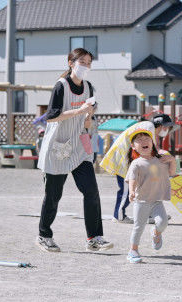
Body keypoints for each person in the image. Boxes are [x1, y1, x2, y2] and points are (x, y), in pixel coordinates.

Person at [36, 48, 113, 253]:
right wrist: (78, 111)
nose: (85, 66)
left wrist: (87, 115)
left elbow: (87, 121)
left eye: (89, 63)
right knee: (53, 194)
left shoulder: (89, 87)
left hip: (80, 145)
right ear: (71, 62)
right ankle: (44, 235)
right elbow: (51, 116)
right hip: (58, 145)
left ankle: (94, 237)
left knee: (91, 191)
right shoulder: (60, 86)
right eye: (82, 62)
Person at [106, 113, 178, 224]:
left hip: (130, 158)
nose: (167, 130)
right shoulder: (149, 127)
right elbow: (152, 149)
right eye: (167, 127)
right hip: (124, 158)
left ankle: (149, 214)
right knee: (126, 189)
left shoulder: (149, 128)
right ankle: (118, 216)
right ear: (161, 125)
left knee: (145, 185)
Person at [124, 128, 176, 263]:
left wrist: (172, 159)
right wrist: (132, 191)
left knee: (163, 223)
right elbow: (132, 179)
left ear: (152, 142)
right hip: (141, 200)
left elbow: (171, 172)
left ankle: (156, 233)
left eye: (147, 139)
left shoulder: (160, 159)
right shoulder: (136, 163)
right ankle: (133, 250)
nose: (144, 142)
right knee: (138, 226)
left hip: (157, 200)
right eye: (139, 140)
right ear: (133, 146)